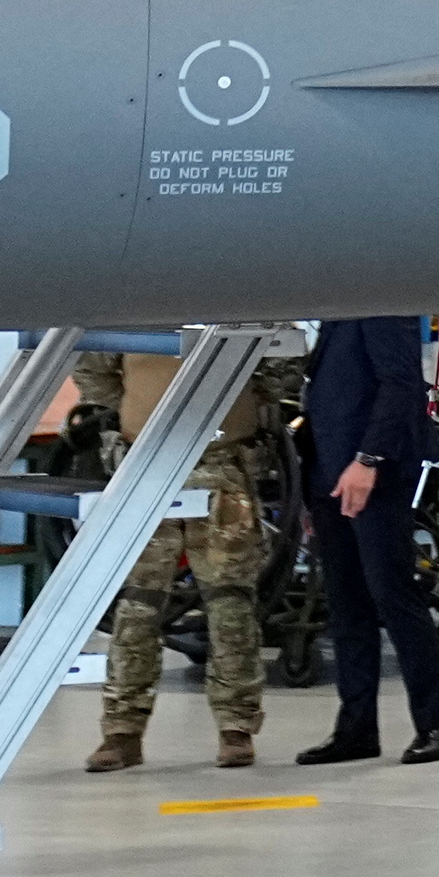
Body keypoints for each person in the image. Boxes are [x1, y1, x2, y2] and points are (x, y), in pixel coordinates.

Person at [93, 326, 308, 778]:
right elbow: (96, 375)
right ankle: (122, 731)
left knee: (230, 603)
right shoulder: (128, 307)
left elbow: (277, 373)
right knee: (137, 604)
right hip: (145, 463)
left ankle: (236, 728)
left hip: (224, 468)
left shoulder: (239, 307)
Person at [292, 314, 439, 767]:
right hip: (329, 476)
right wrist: (312, 491)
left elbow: (402, 384)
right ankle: (356, 728)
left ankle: (433, 725)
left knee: (394, 596)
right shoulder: (337, 315)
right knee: (347, 606)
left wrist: (369, 459)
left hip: (374, 477)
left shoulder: (381, 303)